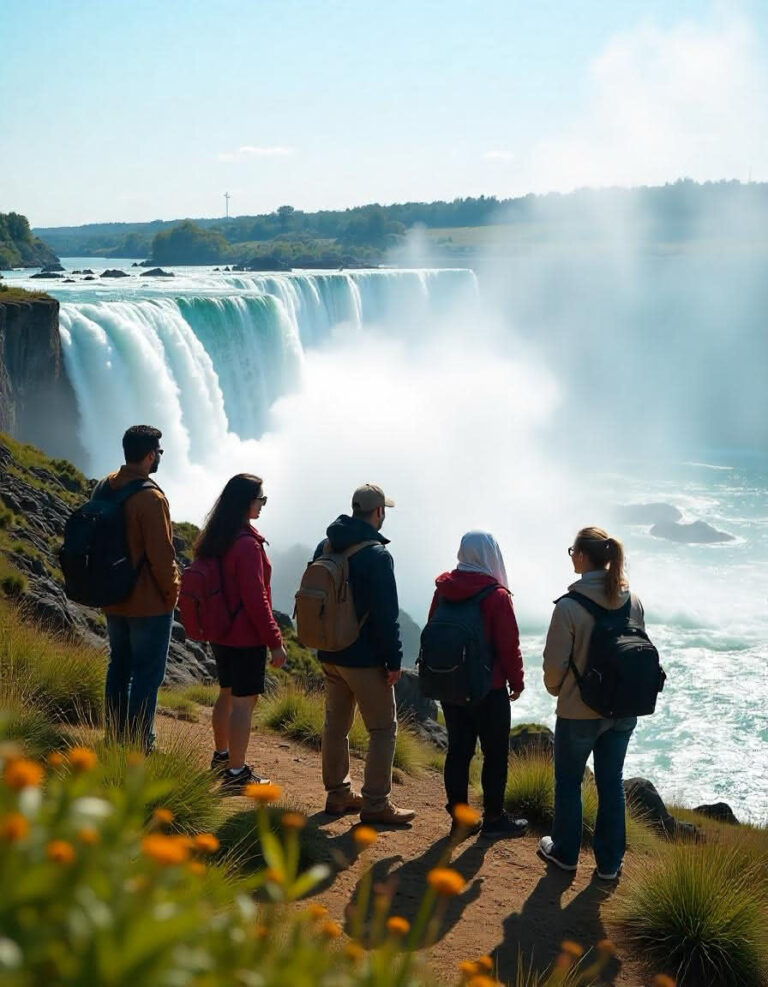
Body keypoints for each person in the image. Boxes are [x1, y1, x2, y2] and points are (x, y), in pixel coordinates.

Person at [539, 526, 644, 880]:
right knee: (611, 781)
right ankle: (609, 865)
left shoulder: (569, 606)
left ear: (583, 557)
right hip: (625, 709)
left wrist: (558, 691)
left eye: (572, 551)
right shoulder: (632, 600)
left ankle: (566, 854)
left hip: (579, 711)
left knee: (569, 782)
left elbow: (554, 665)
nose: (571, 556)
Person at [316, 484, 415, 825]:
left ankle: (338, 795)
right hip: (364, 659)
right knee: (383, 730)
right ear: (378, 513)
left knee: (336, 726)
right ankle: (375, 803)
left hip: (329, 652)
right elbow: (387, 615)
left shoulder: (325, 544)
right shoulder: (376, 554)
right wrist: (393, 660)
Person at [428, 531, 528, 838]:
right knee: (495, 754)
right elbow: (508, 645)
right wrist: (517, 680)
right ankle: (494, 819)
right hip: (489, 688)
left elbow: (434, 629)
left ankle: (460, 818)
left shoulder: (443, 589)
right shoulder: (496, 596)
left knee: (458, 751)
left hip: (451, 684)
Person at [194, 474, 287, 793]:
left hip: (219, 631)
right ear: (245, 501)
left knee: (226, 693)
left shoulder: (214, 537)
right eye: (260, 499)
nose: (262, 505)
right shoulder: (246, 544)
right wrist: (275, 641)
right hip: (245, 635)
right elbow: (256, 598)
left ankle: (221, 758)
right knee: (244, 704)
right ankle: (236, 773)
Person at [102, 425, 179, 752]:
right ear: (149, 455)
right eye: (159, 452)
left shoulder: (105, 486)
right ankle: (138, 745)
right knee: (146, 675)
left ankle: (115, 738)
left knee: (118, 667)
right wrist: (173, 592)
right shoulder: (151, 498)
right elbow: (162, 558)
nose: (159, 457)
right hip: (148, 604)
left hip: (112, 597)